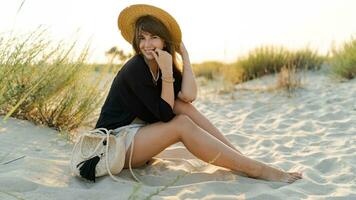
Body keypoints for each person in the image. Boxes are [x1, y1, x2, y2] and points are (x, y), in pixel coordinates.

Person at [95, 4, 302, 183]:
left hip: (136, 140)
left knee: (182, 107)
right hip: (113, 146)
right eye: (142, 38)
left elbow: (188, 96)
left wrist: (184, 55)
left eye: (154, 37)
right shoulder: (136, 68)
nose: (147, 44)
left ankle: (240, 158)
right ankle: (256, 169)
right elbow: (166, 116)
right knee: (181, 123)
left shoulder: (160, 64)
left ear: (165, 42)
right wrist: (167, 72)